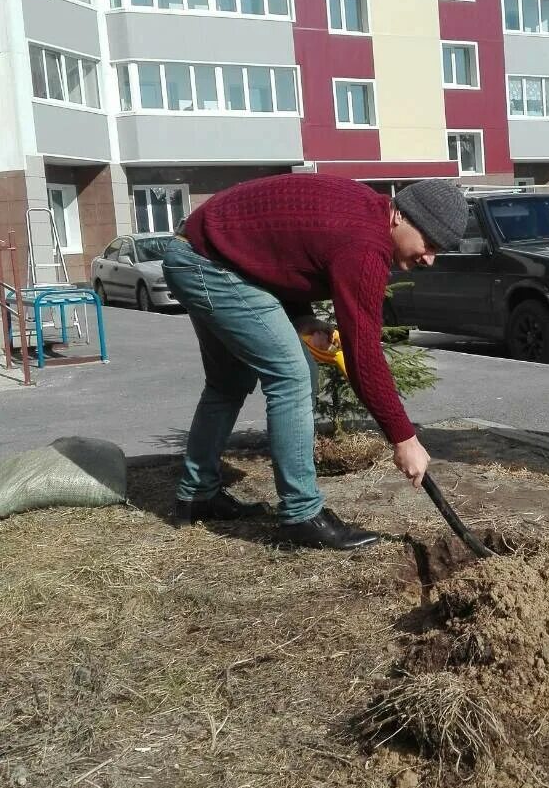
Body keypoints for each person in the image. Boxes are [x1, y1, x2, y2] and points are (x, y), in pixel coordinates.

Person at [162, 174, 468, 549]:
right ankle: (302, 516)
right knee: (293, 376)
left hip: (198, 252)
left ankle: (197, 495)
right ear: (400, 217)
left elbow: (282, 252)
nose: (429, 259)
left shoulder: (365, 212)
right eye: (430, 243)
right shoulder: (366, 245)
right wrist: (404, 438)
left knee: (228, 383)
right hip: (208, 263)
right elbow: (364, 354)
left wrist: (303, 318)